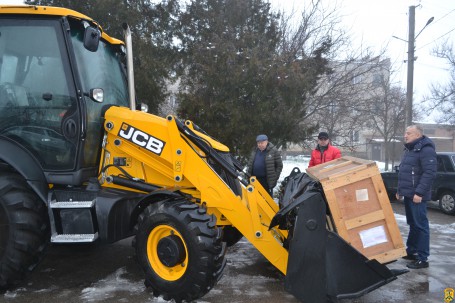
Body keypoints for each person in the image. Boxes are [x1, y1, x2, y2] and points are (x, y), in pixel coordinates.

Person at [396, 125, 437, 269]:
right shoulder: (409, 149)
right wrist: (400, 190)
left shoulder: (426, 150)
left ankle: (423, 258)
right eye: (405, 132)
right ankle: (411, 251)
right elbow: (405, 172)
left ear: (418, 135)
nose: (405, 135)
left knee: (421, 226)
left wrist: (419, 193)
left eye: (408, 133)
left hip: (417, 196)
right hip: (408, 194)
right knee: (413, 224)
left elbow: (429, 173)